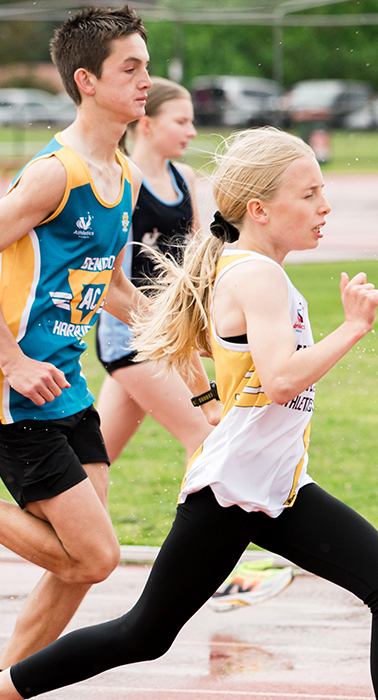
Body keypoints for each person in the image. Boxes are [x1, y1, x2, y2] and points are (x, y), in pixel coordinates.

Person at [0, 127, 378, 699]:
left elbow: (212, 352)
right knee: (141, 635)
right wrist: (351, 328)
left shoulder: (249, 267)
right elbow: (279, 381)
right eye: (309, 194)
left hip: (278, 486)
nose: (325, 207)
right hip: (231, 491)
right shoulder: (257, 274)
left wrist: (209, 402)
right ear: (260, 209)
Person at [0, 6, 185, 667]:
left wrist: (178, 334)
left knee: (78, 568)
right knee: (96, 557)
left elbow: (109, 287)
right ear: (87, 80)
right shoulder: (55, 173)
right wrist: (12, 358)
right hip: (17, 395)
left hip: (68, 387)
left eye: (146, 65)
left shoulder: (124, 176)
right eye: (130, 68)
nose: (146, 81)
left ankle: (7, 683)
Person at [93, 76, 212, 463]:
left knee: (92, 461)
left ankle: (55, 523)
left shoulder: (185, 179)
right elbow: (111, 279)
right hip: (132, 338)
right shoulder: (121, 181)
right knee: (206, 436)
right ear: (146, 124)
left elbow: (197, 265)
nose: (191, 132)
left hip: (168, 335)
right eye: (180, 121)